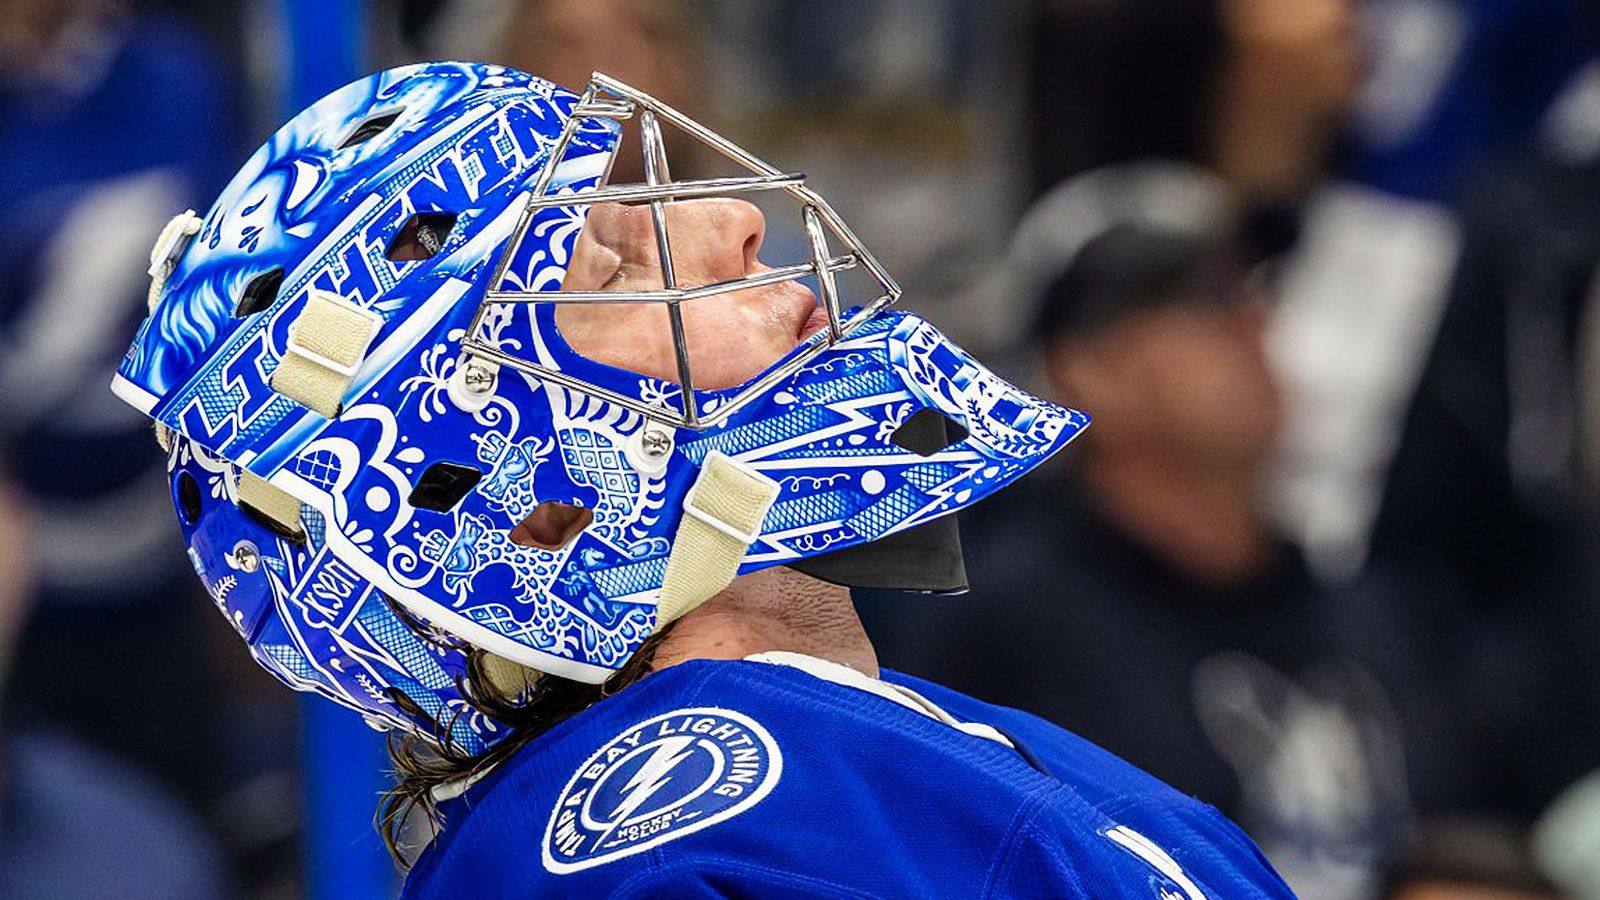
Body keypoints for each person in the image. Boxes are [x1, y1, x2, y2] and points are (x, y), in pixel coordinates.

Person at [112, 62, 1292, 897]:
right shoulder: (661, 849)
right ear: (507, 499)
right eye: (612, 264)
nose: (731, 219)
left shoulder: (887, 744)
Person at [869, 163, 1412, 898]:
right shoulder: (1004, 634)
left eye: (1255, 290)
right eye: (1208, 300)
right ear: (1088, 369)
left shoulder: (1365, 604)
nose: (1254, 324)